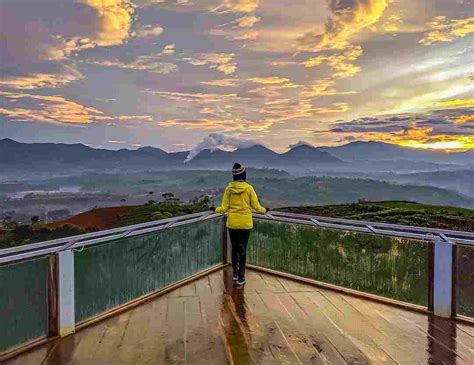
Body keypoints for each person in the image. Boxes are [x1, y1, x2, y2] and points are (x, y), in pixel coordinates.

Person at [211, 163, 268, 286]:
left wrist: (214, 209)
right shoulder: (248, 188)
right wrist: (265, 210)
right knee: (243, 250)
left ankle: (235, 274)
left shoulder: (228, 189)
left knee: (234, 249)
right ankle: (241, 277)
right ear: (244, 174)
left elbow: (224, 208)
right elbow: (256, 206)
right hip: (245, 224)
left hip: (232, 223)